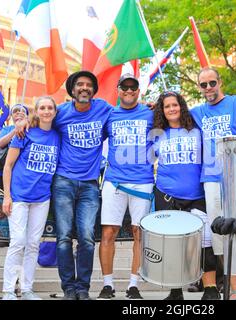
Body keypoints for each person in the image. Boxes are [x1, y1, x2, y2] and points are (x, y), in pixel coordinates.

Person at [190, 67, 236, 300]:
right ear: (199, 88)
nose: (208, 88)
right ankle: (233, 289)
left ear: (219, 82)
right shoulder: (198, 112)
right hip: (211, 178)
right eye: (203, 85)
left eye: (212, 83)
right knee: (221, 234)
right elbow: (173, 114)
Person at [153, 91, 220, 300]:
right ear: (162, 111)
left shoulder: (197, 131)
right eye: (167, 106)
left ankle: (210, 289)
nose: (171, 109)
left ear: (181, 106)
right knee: (173, 246)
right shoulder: (157, 134)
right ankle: (175, 291)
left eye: (175, 104)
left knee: (206, 241)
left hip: (196, 194)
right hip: (167, 195)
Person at [51, 71, 112, 300]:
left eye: (89, 85)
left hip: (89, 184)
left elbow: (126, 114)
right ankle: (68, 287)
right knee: (64, 236)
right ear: (72, 90)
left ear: (94, 90)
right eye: (79, 85)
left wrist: (146, 107)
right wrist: (24, 121)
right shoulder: (61, 113)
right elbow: (41, 122)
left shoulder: (104, 109)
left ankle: (82, 287)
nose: (84, 88)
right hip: (63, 181)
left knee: (87, 236)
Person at [98, 74, 154, 300]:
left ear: (139, 91)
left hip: (142, 180)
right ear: (118, 90)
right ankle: (107, 285)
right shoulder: (108, 114)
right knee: (108, 232)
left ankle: (133, 285)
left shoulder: (150, 113)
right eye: (125, 87)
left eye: (133, 87)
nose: (129, 91)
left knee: (139, 232)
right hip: (115, 181)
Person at [1, 96, 60, 300]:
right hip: (19, 196)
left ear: (54, 111)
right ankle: (9, 289)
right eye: (42, 107)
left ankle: (26, 289)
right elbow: (7, 166)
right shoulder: (24, 133)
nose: (46, 111)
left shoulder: (57, 135)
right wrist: (6, 196)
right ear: (36, 111)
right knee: (18, 242)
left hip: (42, 198)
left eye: (50, 108)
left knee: (34, 243)